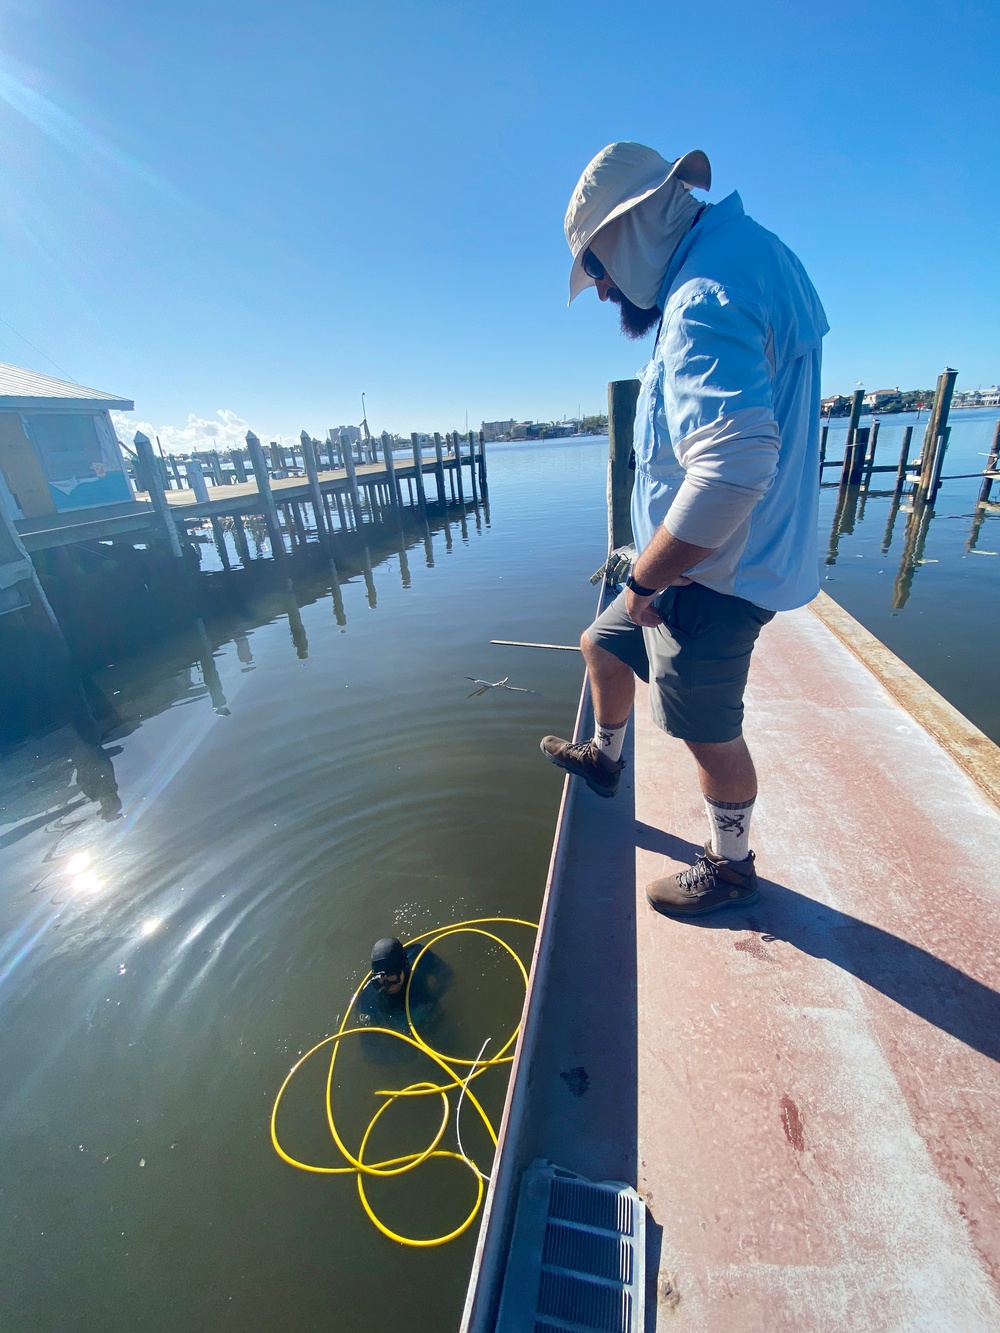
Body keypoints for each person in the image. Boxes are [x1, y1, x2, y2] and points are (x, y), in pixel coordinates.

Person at [541, 141, 827, 918]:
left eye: (597, 267)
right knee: (600, 643)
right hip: (696, 561)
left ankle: (732, 866)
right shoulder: (744, 255)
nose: (601, 291)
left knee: (708, 733)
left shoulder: (702, 294)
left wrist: (644, 579)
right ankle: (605, 761)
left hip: (710, 578)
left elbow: (733, 468)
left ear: (631, 230)